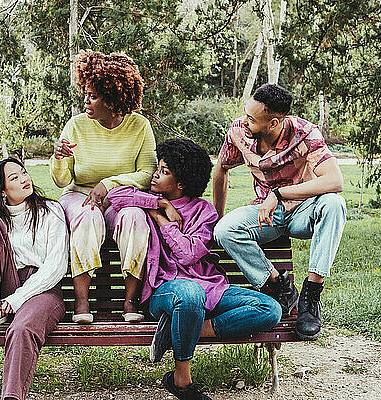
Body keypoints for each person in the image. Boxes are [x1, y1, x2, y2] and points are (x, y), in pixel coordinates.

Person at [107, 139, 281, 400]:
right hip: (165, 290)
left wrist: (167, 225)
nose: (156, 174)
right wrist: (159, 209)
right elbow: (114, 195)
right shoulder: (149, 201)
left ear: (181, 184)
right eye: (159, 167)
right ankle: (182, 380)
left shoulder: (205, 212)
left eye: (165, 171)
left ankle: (189, 327)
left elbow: (187, 254)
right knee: (189, 295)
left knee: (270, 309)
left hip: (210, 288)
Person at [212, 83, 346, 340]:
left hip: (303, 210)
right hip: (266, 214)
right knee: (224, 230)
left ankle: (310, 297)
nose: (244, 120)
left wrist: (279, 194)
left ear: (273, 123)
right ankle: (279, 285)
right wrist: (217, 215)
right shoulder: (240, 131)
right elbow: (221, 168)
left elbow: (334, 181)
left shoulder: (304, 133)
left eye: (252, 118)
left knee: (334, 204)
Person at [50, 50, 157, 324]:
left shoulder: (140, 126)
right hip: (79, 197)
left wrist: (109, 185)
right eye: (85, 92)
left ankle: (131, 301)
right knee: (87, 216)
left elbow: (147, 174)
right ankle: (82, 301)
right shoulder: (76, 125)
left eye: (93, 95)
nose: (86, 100)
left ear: (113, 100)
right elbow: (62, 181)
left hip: (121, 199)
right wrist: (59, 158)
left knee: (135, 218)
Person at [0, 158, 68, 400]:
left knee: (21, 328)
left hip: (43, 289)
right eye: (14, 177)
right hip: (3, 287)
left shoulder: (51, 211)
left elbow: (56, 265)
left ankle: (11, 397)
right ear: (2, 191)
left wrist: (17, 299)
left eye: (23, 172)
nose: (24, 179)